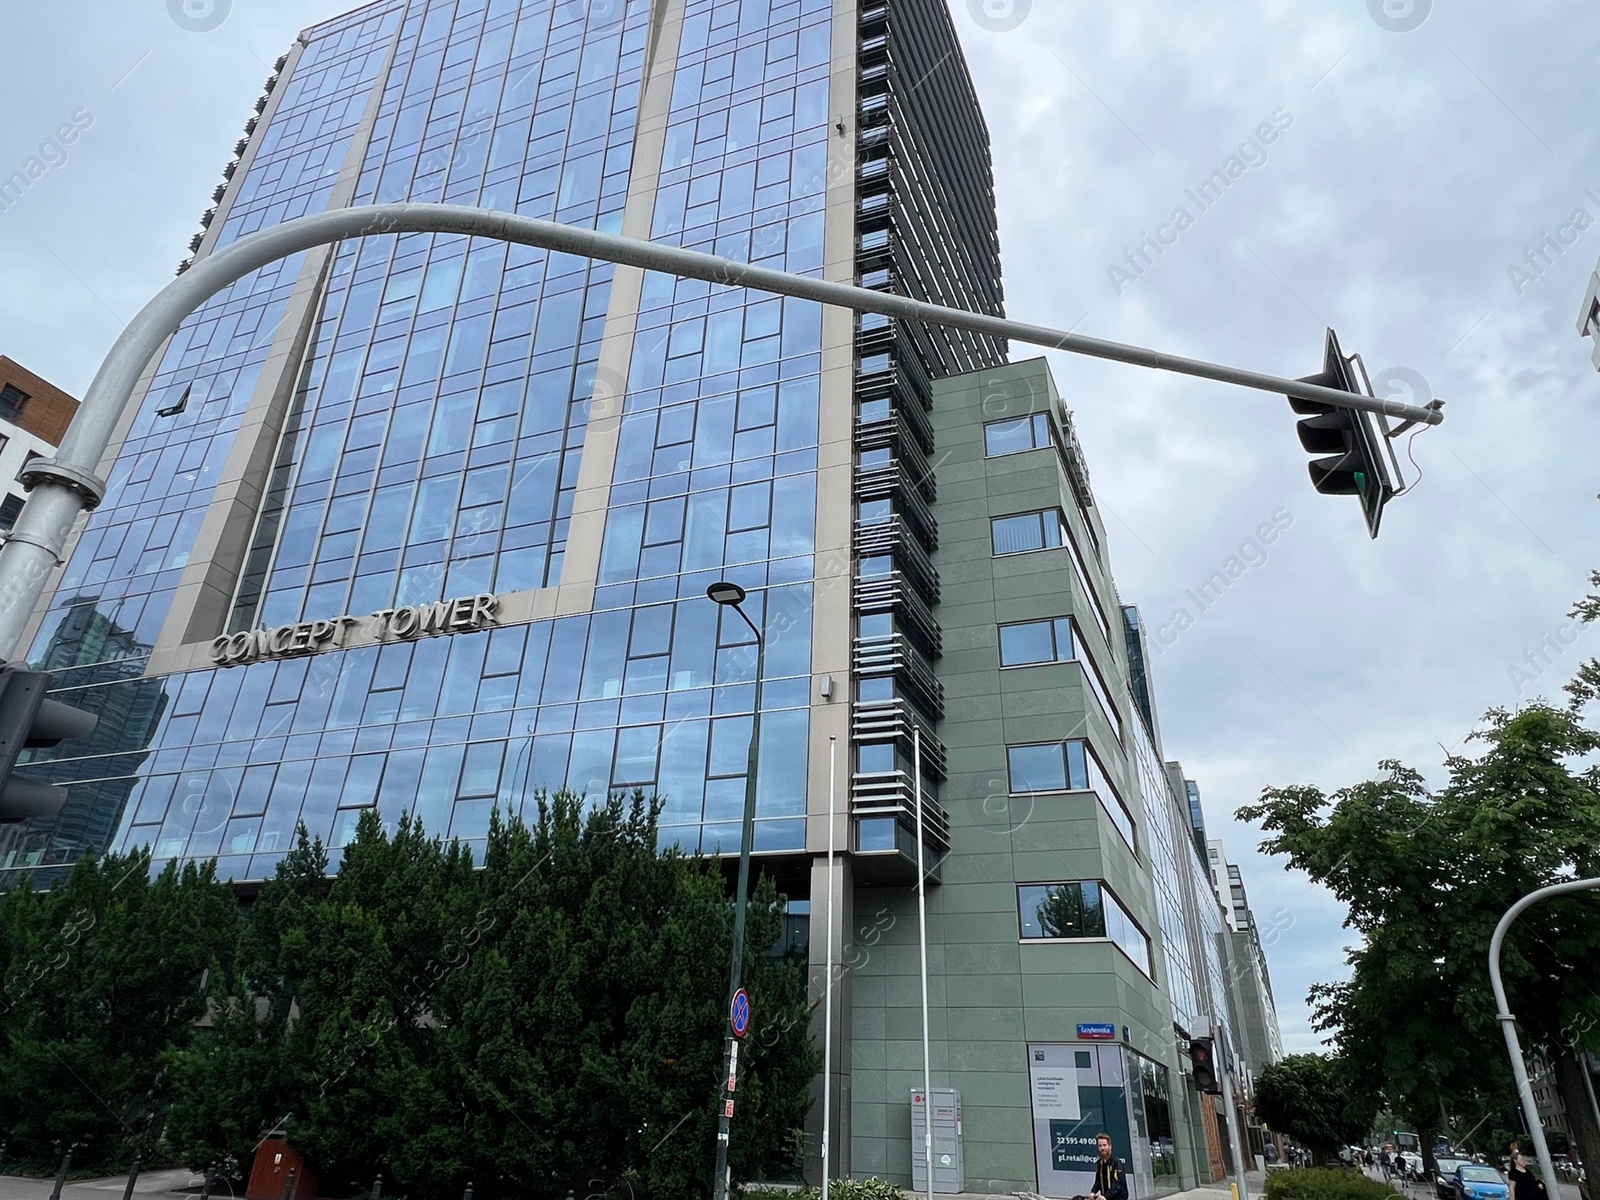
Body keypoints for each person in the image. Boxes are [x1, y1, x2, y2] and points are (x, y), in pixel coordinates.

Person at [1074, 1132, 1128, 1200]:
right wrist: (1093, 1192)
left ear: (1110, 1146)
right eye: (1100, 1146)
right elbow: (1098, 1181)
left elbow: (1117, 1184)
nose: (1102, 1148)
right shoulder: (1100, 1163)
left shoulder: (1116, 1163)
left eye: (1104, 1145)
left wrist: (1106, 1196)